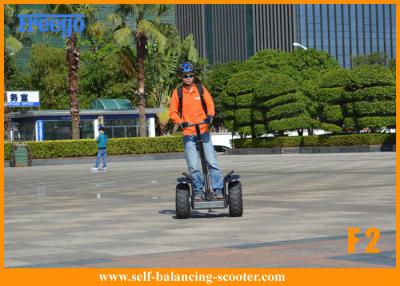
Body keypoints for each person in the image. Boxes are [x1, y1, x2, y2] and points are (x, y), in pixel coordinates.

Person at [169, 62, 224, 201]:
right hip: (188, 133)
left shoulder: (200, 89)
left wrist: (210, 116)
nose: (188, 78)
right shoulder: (178, 93)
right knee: (193, 166)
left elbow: (210, 104)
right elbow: (173, 112)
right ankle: (198, 191)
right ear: (181, 77)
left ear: (194, 76)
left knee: (212, 162)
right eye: (185, 76)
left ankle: (218, 190)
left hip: (203, 131)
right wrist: (180, 122)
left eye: (190, 75)